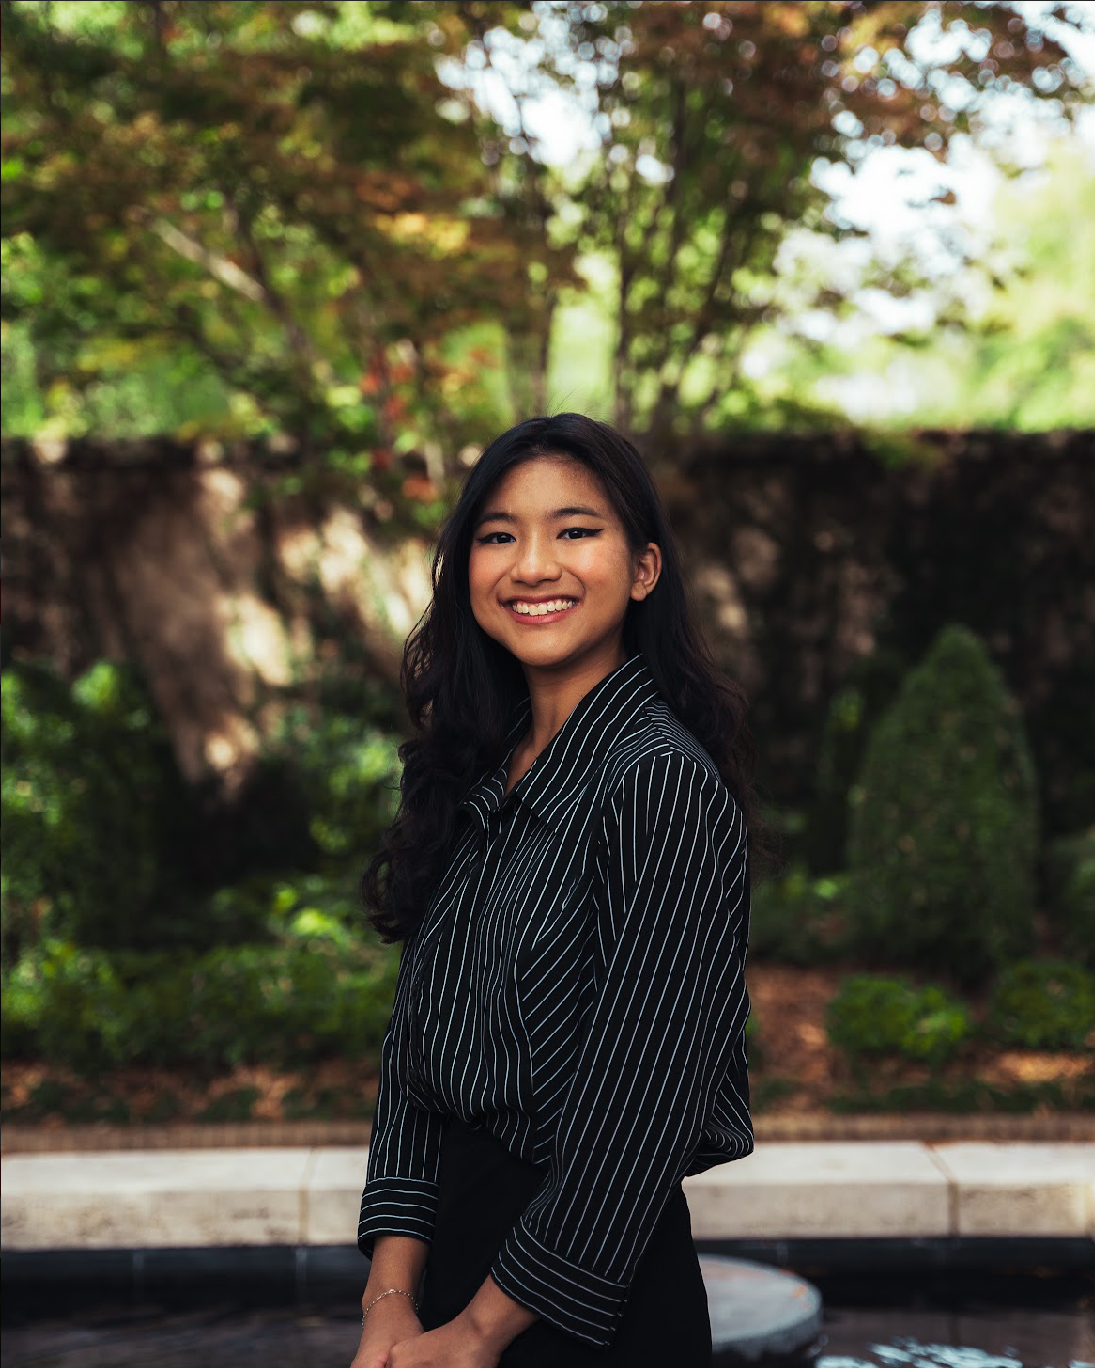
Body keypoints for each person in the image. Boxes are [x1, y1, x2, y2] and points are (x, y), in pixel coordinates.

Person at [351, 414, 760, 1368]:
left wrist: (476, 1336)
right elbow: (413, 1067)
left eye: (575, 530)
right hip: (441, 1291)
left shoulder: (656, 782)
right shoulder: (475, 774)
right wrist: (388, 1305)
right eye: (499, 535)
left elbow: (637, 1115)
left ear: (644, 568)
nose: (533, 564)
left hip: (582, 1308)